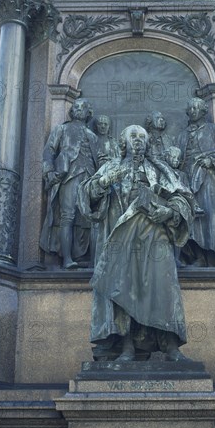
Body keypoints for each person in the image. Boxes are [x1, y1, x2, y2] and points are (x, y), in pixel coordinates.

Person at [78, 125, 194, 362]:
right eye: (133, 136)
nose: (138, 140)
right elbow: (85, 196)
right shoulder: (111, 166)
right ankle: (127, 347)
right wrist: (104, 182)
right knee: (123, 287)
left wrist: (168, 212)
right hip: (121, 237)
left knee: (163, 287)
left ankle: (171, 346)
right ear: (123, 142)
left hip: (154, 235)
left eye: (142, 137)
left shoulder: (159, 169)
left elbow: (183, 197)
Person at [40, 98, 98, 269]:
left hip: (89, 177)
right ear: (72, 111)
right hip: (69, 175)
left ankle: (84, 256)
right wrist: (49, 171)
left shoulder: (93, 136)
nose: (79, 109)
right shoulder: (62, 129)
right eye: (76, 107)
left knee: (88, 218)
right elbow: (49, 151)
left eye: (83, 107)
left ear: (89, 113)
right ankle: (66, 258)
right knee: (68, 216)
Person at [178, 97, 215, 268]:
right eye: (190, 108)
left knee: (213, 215)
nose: (193, 110)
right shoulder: (182, 135)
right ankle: (198, 256)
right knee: (192, 219)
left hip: (209, 177)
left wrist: (214, 160)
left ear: (204, 110)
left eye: (196, 107)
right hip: (187, 179)